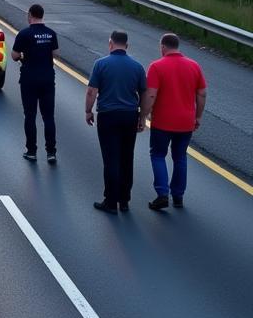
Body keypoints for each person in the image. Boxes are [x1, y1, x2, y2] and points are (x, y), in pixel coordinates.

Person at [141, 33, 207, 210]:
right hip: (186, 122)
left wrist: (143, 116)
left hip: (162, 122)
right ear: (178, 46)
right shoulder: (194, 66)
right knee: (180, 157)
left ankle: (162, 194)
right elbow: (201, 94)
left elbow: (151, 94)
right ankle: (178, 196)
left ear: (163, 47)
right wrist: (198, 116)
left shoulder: (156, 66)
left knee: (158, 155)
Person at [86, 30, 147, 213]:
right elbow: (144, 93)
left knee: (111, 159)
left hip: (108, 115)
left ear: (110, 43)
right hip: (130, 115)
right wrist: (142, 117)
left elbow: (91, 92)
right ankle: (124, 200)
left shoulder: (101, 64)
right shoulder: (137, 67)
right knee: (127, 158)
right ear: (127, 46)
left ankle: (110, 202)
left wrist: (88, 111)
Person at [11, 3, 60, 163]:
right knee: (48, 117)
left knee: (30, 116)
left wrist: (24, 58)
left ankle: (31, 151)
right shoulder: (51, 34)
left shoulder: (24, 34)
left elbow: (14, 55)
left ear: (30, 15)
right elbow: (55, 54)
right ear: (42, 15)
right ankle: (51, 152)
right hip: (47, 79)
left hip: (29, 79)